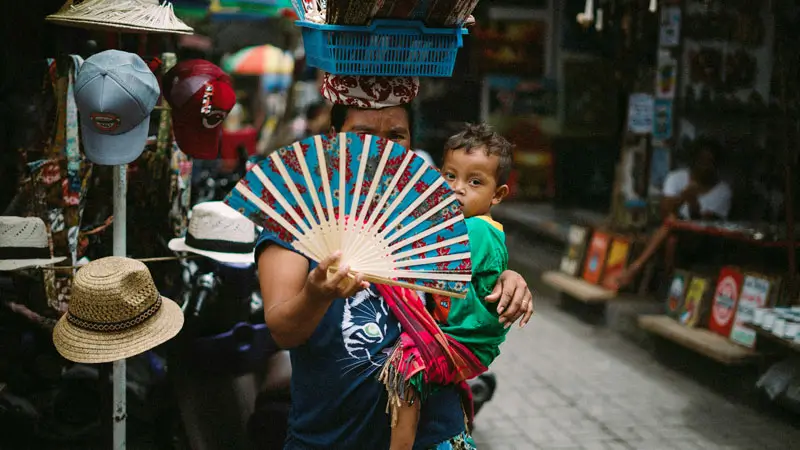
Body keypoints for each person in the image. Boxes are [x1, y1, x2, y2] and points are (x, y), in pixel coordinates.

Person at [255, 73, 533, 449]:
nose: (382, 149)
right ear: (335, 136)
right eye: (364, 133)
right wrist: (316, 295)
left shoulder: (431, 210)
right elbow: (283, 330)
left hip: (434, 432)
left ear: (411, 143)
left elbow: (474, 267)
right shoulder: (296, 217)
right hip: (332, 437)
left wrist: (508, 278)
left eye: (396, 136)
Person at [387, 123, 513, 449]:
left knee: (407, 374)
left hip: (463, 336)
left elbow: (430, 266)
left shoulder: (476, 230)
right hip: (453, 333)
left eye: (474, 182)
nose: (457, 189)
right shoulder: (459, 226)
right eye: (449, 176)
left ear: (497, 195)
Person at [612, 137, 732, 288]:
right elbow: (664, 211)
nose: (705, 166)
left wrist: (693, 203)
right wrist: (684, 196)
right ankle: (667, 283)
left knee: (673, 226)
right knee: (672, 233)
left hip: (702, 238)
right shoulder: (677, 178)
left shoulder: (723, 191)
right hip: (673, 232)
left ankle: (636, 269)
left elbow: (706, 224)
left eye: (710, 162)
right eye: (701, 161)